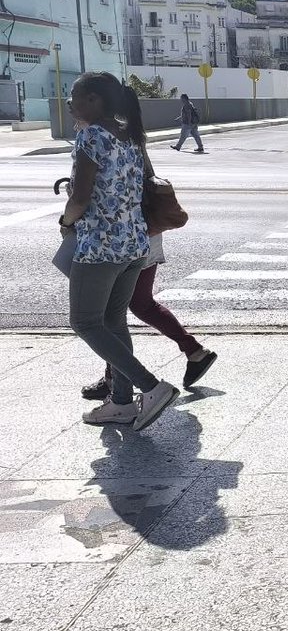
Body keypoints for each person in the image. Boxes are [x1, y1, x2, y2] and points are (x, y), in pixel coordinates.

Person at [59, 71, 180, 429]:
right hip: (134, 244)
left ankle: (151, 387)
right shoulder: (130, 134)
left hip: (100, 246)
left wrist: (66, 221)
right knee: (113, 321)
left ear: (94, 100)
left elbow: (80, 199)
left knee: (84, 322)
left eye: (74, 96)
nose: (70, 104)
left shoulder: (91, 136)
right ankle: (123, 403)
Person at [81, 149, 219, 402]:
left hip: (127, 240)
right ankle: (194, 351)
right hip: (145, 234)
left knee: (111, 314)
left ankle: (116, 379)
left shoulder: (108, 141)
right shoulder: (130, 141)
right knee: (140, 305)